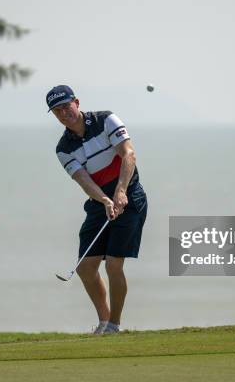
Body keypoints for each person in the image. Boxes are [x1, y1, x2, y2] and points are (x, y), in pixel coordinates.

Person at [47, 85, 148, 335]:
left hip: (131, 197)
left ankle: (114, 325)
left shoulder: (106, 120)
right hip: (98, 202)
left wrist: (121, 191)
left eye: (66, 106)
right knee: (85, 267)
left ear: (77, 103)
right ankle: (103, 322)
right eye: (56, 111)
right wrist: (104, 200)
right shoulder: (63, 149)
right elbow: (83, 180)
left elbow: (129, 155)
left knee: (113, 264)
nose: (63, 113)